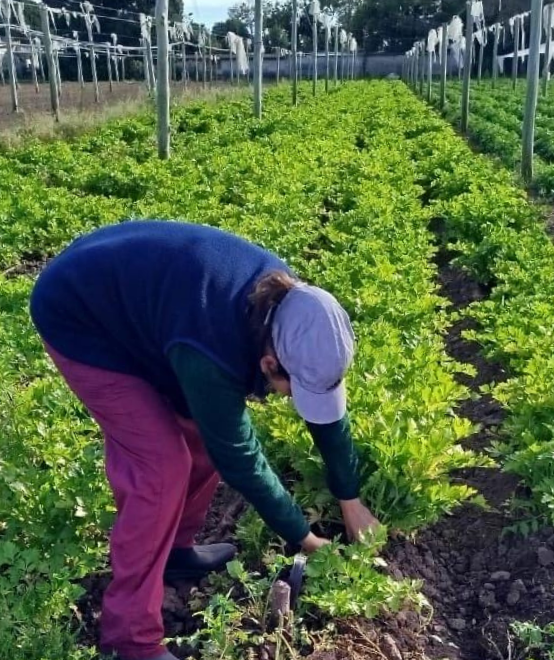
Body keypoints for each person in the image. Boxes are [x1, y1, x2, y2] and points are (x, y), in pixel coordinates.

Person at [29, 220, 381, 660]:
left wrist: (350, 500)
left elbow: (327, 419)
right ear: (269, 364)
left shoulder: (295, 313)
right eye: (293, 390)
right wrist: (304, 538)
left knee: (198, 432)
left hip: (150, 311)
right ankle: (130, 639)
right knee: (160, 467)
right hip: (81, 317)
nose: (292, 400)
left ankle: (175, 551)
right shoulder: (214, 349)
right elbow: (239, 457)